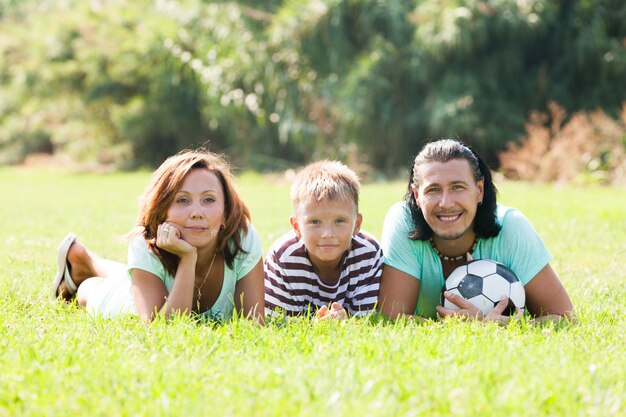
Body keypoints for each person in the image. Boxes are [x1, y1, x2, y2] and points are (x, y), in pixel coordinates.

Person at [52, 149, 265, 323]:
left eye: (209, 200)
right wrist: (188, 259)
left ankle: (87, 260)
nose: (197, 212)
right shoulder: (144, 243)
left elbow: (254, 322)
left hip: (144, 278)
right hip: (126, 300)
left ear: (226, 212)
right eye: (182, 200)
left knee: (130, 274)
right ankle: (85, 270)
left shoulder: (242, 238)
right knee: (89, 290)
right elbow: (164, 329)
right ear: (162, 210)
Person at [378, 139, 573, 324]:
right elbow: (392, 318)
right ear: (416, 196)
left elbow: (566, 319)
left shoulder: (512, 227)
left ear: (479, 190)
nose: (446, 203)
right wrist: (461, 326)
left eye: (458, 187)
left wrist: (503, 326)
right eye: (433, 190)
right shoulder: (404, 222)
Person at [264, 160, 383, 320]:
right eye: (315, 222)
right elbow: (277, 321)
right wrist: (312, 325)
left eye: (340, 221)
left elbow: (367, 319)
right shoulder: (282, 258)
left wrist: (347, 321)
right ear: (296, 226)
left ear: (357, 224)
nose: (327, 233)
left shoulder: (368, 254)